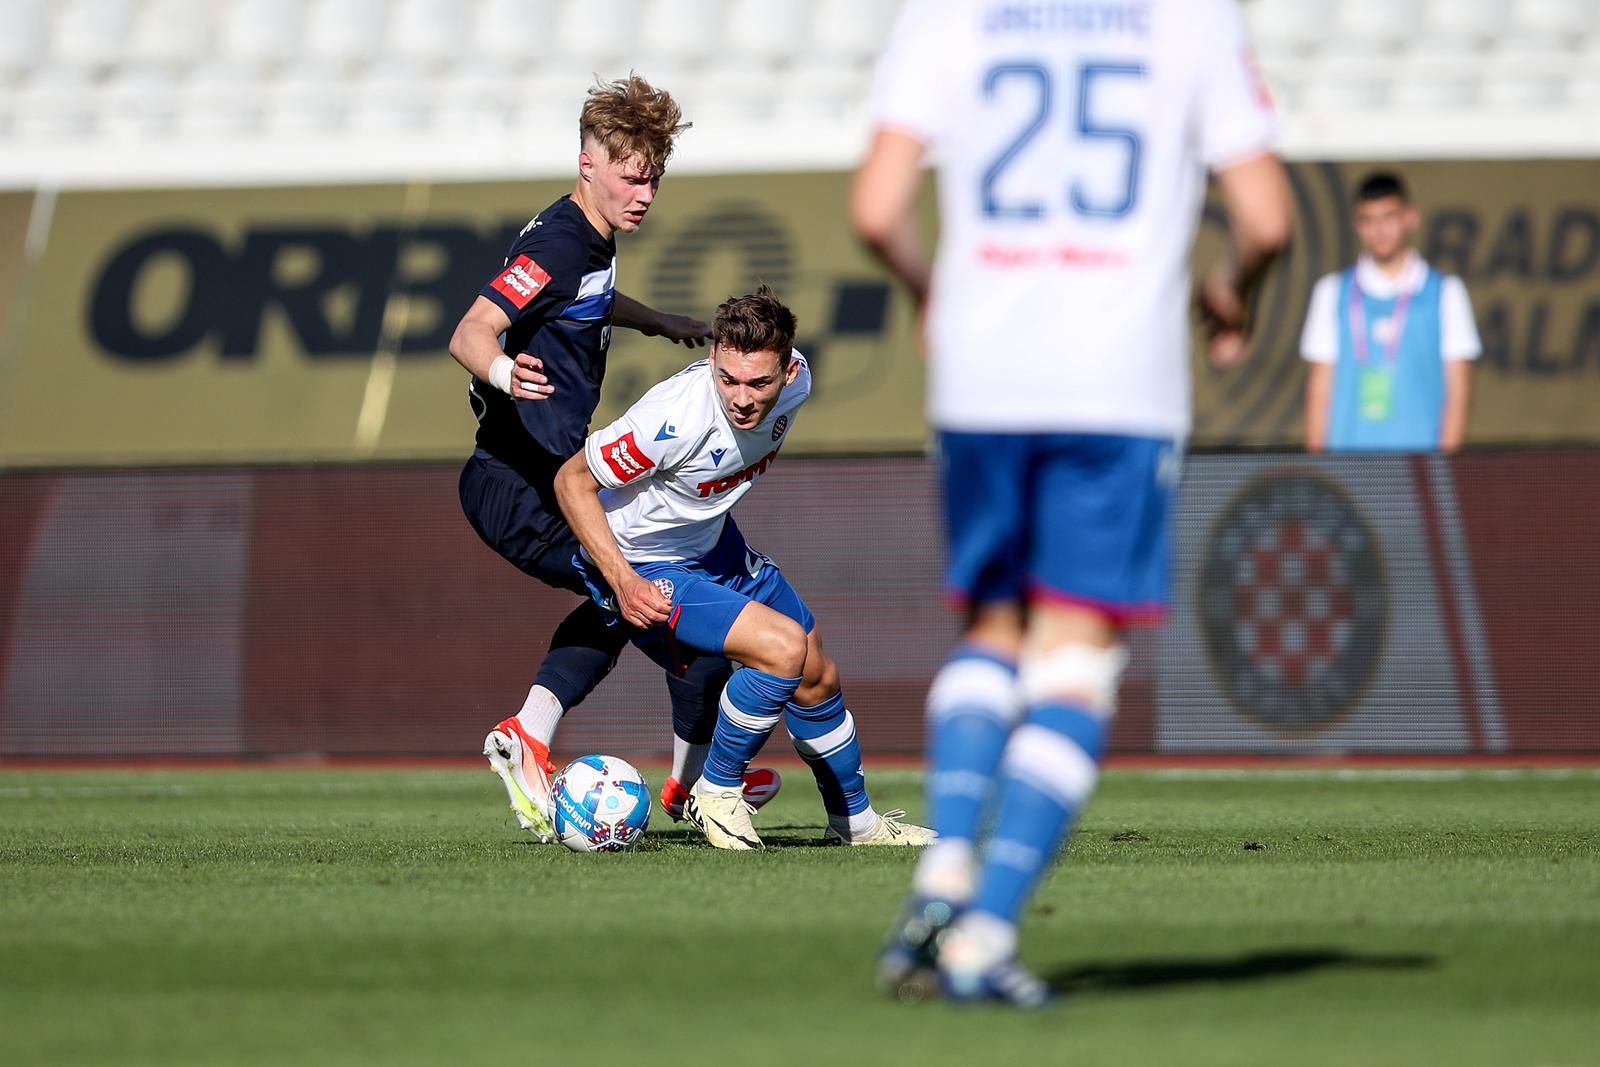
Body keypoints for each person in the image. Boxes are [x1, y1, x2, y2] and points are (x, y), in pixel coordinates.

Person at [852, 0, 1293, 1005]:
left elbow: (876, 209)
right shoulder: (1189, 20)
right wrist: (1230, 286)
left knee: (990, 629)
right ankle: (986, 930)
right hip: (1114, 378)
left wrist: (931, 292)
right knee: (1076, 655)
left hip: (981, 371)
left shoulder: (946, 15)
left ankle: (942, 871)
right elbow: (1267, 219)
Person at [448, 75, 776, 844]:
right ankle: (556, 743)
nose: (644, 193)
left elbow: (581, 294)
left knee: (648, 594)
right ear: (588, 163)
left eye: (653, 177)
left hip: (544, 476)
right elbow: (470, 331)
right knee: (645, 594)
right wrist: (502, 371)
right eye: (631, 175)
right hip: (520, 483)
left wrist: (653, 320)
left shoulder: (588, 238)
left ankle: (684, 781)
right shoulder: (561, 239)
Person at [553, 286, 936, 851]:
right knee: (781, 649)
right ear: (713, 359)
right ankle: (715, 791)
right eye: (728, 378)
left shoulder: (799, 383)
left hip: (713, 545)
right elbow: (571, 481)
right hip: (646, 559)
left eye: (758, 382)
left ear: (788, 371)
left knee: (814, 668)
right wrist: (623, 578)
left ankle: (856, 824)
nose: (741, 398)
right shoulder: (674, 418)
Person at [1302, 171, 1480, 453]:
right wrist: (1318, 466)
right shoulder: (1332, 291)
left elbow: (1457, 390)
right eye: (1368, 220)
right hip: (1347, 466)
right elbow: (1320, 387)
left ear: (1410, 217)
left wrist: (1445, 466)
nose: (1379, 230)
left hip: (1419, 466)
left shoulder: (1445, 292)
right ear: (1357, 225)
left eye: (1388, 217)